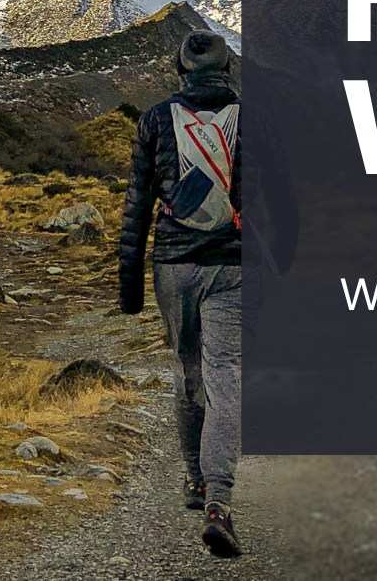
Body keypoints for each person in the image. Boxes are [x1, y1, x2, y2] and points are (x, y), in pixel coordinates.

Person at [118, 30, 243, 558]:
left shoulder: (154, 119)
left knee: (186, 369)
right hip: (234, 264)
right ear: (227, 69)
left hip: (173, 264)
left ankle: (193, 478)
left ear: (181, 70)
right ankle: (219, 499)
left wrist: (128, 283)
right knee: (228, 374)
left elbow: (137, 203)